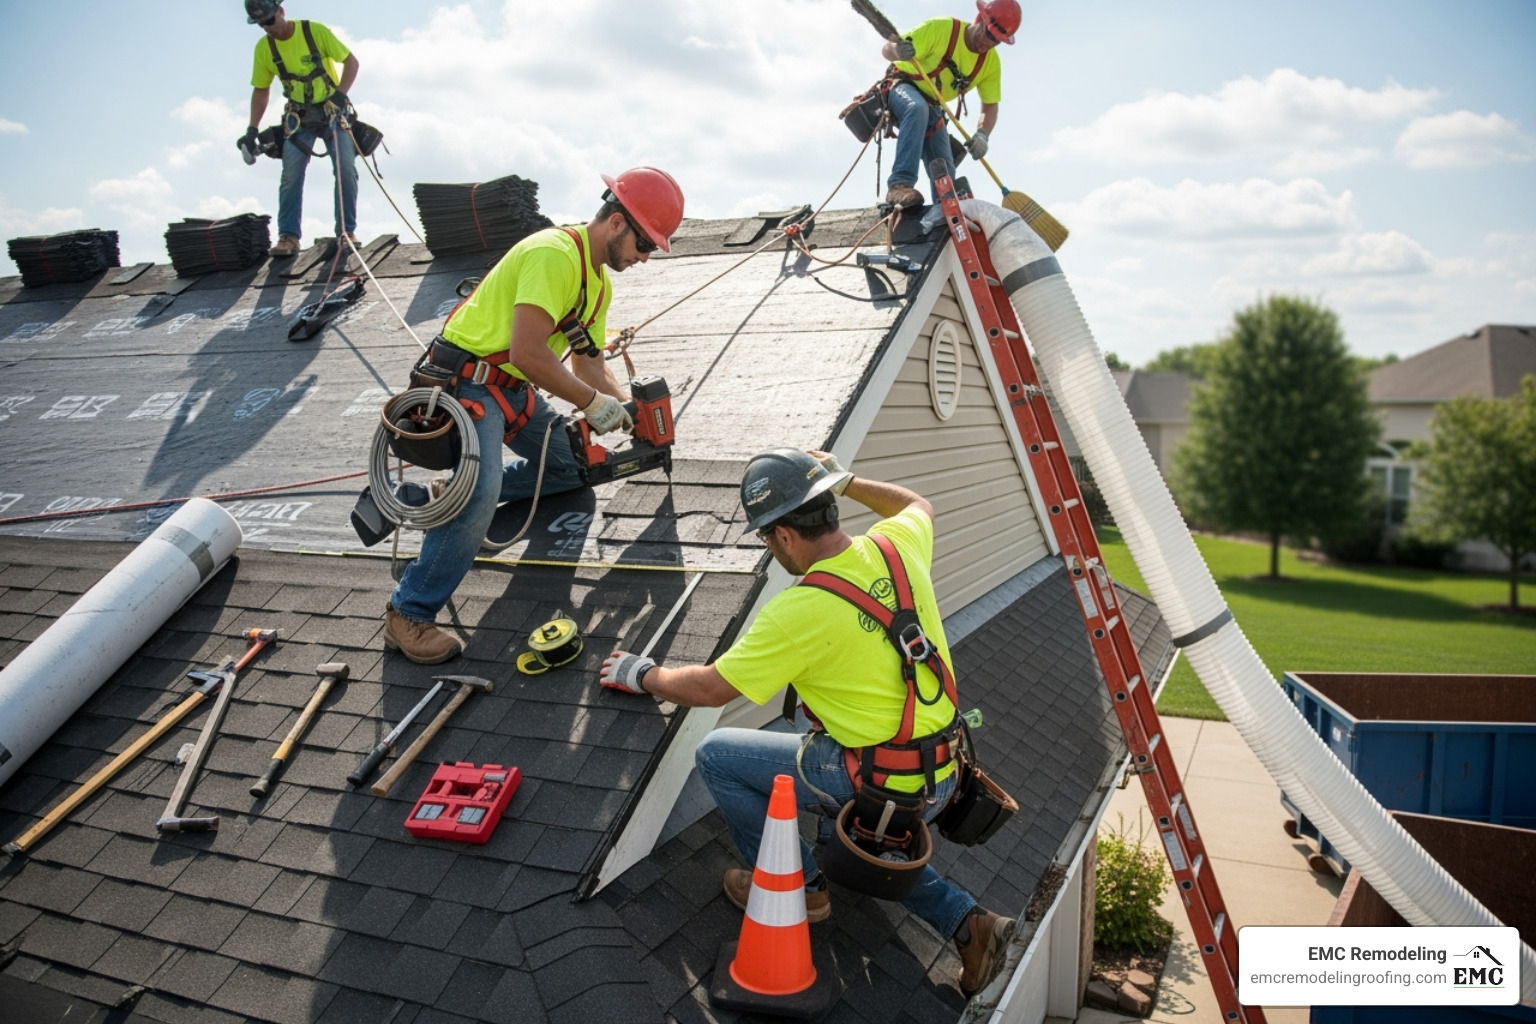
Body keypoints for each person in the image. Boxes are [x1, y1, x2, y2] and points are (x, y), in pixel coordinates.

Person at [599, 448, 1017, 998]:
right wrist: (842, 479)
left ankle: (800, 888)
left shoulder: (799, 610)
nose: (771, 552)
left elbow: (708, 688)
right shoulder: (897, 547)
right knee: (857, 820)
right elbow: (919, 503)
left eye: (766, 540)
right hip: (944, 774)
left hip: (880, 781)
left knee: (719, 755)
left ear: (785, 536)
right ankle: (969, 925)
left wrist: (642, 673)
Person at [383, 168, 686, 665]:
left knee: (571, 469)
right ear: (615, 223)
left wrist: (629, 412)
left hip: (513, 390)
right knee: (480, 497)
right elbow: (527, 351)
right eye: (645, 245)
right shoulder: (554, 254)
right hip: (467, 382)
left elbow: (588, 364)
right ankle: (407, 613)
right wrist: (592, 404)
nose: (644, 259)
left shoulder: (596, 285)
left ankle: (455, 492)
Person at [244, 0, 360, 257]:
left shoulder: (314, 32)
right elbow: (261, 90)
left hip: (332, 112)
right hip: (300, 118)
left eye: (270, 20)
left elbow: (351, 62)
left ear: (282, 12)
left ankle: (346, 232)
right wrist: (252, 129)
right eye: (261, 24)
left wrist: (340, 95)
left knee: (345, 169)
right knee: (290, 176)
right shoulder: (265, 49)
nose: (267, 28)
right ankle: (288, 237)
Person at [881, 0, 1019, 209]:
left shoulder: (990, 63)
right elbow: (887, 49)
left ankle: (946, 210)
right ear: (979, 20)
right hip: (902, 86)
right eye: (988, 34)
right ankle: (899, 185)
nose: (989, 43)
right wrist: (898, 51)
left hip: (932, 106)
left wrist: (983, 134)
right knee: (916, 108)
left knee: (944, 165)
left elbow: (990, 105)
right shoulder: (941, 29)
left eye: (997, 41)